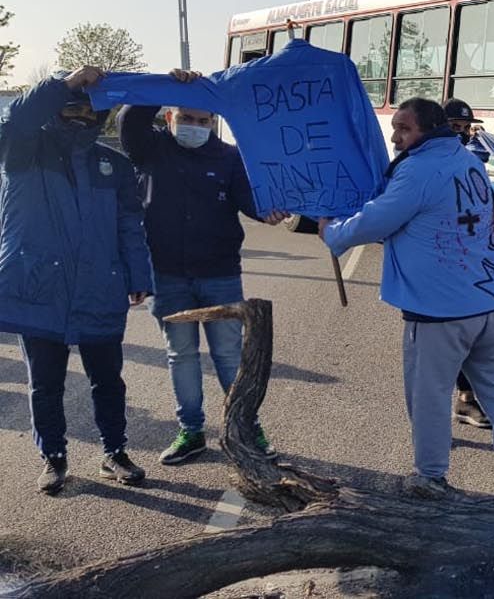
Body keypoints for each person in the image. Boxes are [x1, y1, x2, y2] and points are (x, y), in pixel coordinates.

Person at [319, 97, 494, 497]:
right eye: (395, 128)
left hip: (439, 309)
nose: (395, 137)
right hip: (489, 300)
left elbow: (375, 221)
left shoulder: (418, 170)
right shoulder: (468, 160)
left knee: (429, 398)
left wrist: (332, 232)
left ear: (428, 130)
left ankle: (430, 478)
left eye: (404, 129)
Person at [0, 67, 153, 494]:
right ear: (56, 107)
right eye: (72, 106)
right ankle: (53, 458)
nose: (82, 115)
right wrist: (64, 83)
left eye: (90, 110)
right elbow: (18, 117)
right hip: (39, 288)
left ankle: (114, 452)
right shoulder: (24, 148)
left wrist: (138, 274)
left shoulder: (114, 165)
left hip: (99, 287)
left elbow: (129, 224)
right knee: (45, 384)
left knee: (108, 380)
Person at [117, 82, 286, 465]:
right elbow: (128, 119)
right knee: (182, 356)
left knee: (229, 356)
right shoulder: (151, 148)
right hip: (166, 277)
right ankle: (191, 431)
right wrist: (165, 84)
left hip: (219, 275)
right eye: (187, 118)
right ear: (169, 117)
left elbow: (250, 199)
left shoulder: (229, 157)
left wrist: (269, 212)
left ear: (213, 123)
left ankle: (246, 428)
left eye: (203, 120)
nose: (194, 126)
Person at [442, 97, 492, 428]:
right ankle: (430, 427)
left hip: (468, 262)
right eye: (452, 126)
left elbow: (484, 200)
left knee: (470, 336)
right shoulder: (420, 160)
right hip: (435, 265)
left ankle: (466, 398)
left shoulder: (473, 158)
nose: (459, 132)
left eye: (464, 127)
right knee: (436, 347)